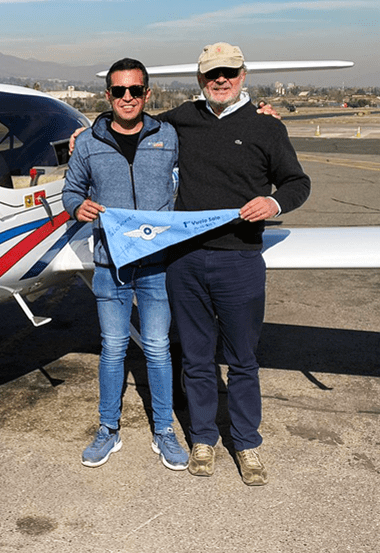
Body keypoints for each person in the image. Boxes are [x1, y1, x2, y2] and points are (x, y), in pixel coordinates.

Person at [158, 43, 311, 485]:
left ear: (243, 76)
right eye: (211, 75)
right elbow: (127, 127)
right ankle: (203, 438)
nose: (220, 80)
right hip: (184, 261)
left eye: (228, 73)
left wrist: (274, 200)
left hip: (240, 260)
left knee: (243, 359)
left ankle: (246, 444)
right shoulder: (181, 118)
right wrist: (84, 135)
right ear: (200, 79)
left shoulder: (266, 128)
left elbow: (298, 182)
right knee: (197, 358)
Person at [62, 58, 188, 471]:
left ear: (147, 94)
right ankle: (108, 429)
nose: (128, 98)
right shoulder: (87, 143)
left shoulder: (168, 135)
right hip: (109, 265)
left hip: (155, 265)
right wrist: (77, 207)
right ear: (108, 96)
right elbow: (71, 191)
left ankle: (164, 431)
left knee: (157, 349)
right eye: (119, 91)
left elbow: (209, 145)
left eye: (135, 90)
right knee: (112, 349)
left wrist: (256, 114)